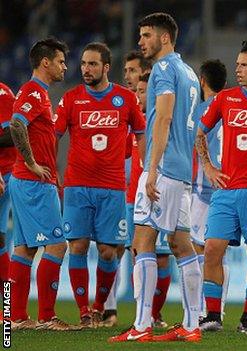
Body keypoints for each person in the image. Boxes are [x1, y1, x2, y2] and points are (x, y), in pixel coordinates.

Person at [109, 12, 202, 342]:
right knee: (181, 243)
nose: (140, 41)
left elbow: (162, 119)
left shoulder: (163, 70)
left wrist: (151, 170)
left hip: (163, 169)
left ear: (164, 38)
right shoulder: (189, 72)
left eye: (146, 35)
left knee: (142, 243)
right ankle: (192, 326)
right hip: (182, 170)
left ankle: (142, 325)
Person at [55, 42, 145, 328]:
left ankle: (99, 306)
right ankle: (83, 311)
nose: (86, 69)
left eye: (93, 64)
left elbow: (141, 134)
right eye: (83, 63)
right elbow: (53, 136)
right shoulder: (71, 99)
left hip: (112, 187)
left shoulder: (125, 99)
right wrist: (50, 168)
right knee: (78, 246)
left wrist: (144, 171)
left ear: (106, 67)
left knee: (108, 251)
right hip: (77, 186)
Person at [198, 40, 247, 333]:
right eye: (237, 65)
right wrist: (207, 167)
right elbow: (200, 132)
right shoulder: (225, 99)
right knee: (212, 249)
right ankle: (213, 315)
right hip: (226, 190)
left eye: (244, 65)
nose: (238, 70)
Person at [8, 37, 78, 330]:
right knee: (58, 246)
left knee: (24, 250)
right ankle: (47, 317)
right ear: (45, 62)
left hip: (27, 182)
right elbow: (15, 123)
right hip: (33, 182)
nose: (64, 66)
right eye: (61, 61)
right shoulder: (33, 92)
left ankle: (15, 317)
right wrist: (32, 162)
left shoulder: (39, 93)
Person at [103, 50, 153, 327]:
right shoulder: (119, 105)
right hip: (123, 193)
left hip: (146, 192)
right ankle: (109, 308)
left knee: (147, 252)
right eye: (125, 72)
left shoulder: (153, 107)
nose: (128, 76)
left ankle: (147, 314)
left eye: (133, 71)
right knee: (116, 249)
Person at [125, 73, 172, 329]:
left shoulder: (162, 120)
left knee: (163, 257)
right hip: (134, 195)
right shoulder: (133, 122)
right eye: (138, 91)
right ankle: (142, 315)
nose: (138, 96)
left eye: (143, 91)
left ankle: (154, 314)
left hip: (159, 191)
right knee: (138, 253)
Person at [188, 59, 230, 329]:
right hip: (232, 186)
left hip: (204, 189)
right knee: (218, 253)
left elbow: (192, 144)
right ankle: (218, 310)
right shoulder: (233, 106)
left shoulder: (201, 110)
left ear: (202, 81)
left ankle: (203, 310)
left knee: (200, 250)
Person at [0, 82, 16, 286]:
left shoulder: (2, 93)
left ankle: (8, 310)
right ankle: (8, 310)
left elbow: (13, 134)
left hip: (4, 173)